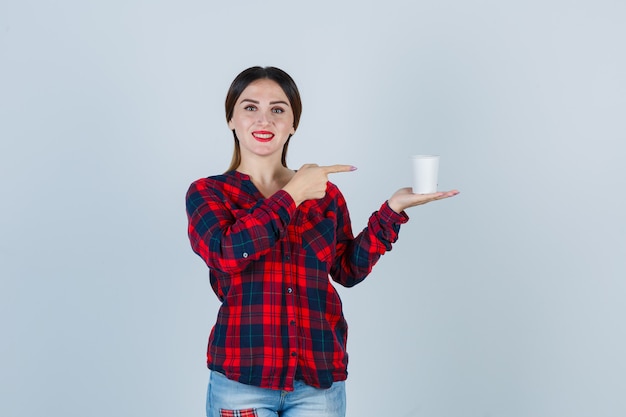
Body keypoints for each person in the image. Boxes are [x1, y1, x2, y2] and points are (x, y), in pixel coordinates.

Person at [186, 66, 459, 417]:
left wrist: (392, 210)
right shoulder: (209, 193)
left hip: (318, 384)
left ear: (293, 123)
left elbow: (347, 270)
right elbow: (226, 253)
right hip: (243, 381)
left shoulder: (325, 194)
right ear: (231, 120)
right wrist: (293, 194)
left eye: (278, 110)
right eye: (250, 107)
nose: (264, 120)